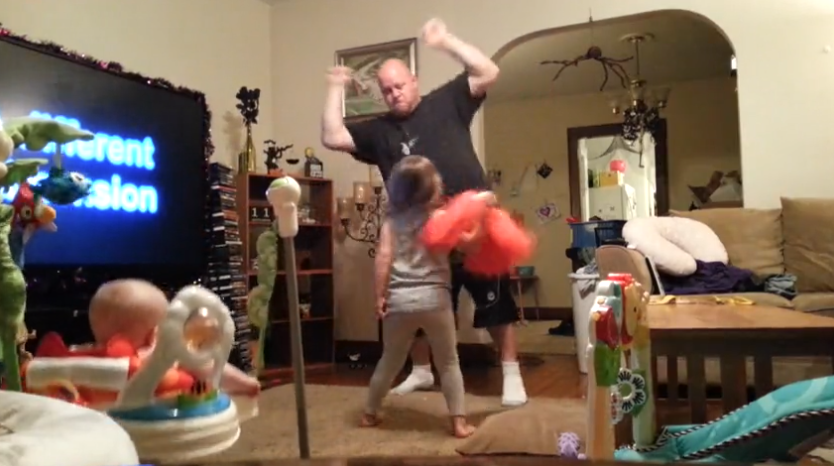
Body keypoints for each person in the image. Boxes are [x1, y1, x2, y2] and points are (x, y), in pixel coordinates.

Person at [321, 18, 527, 407]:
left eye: (399, 85)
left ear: (413, 81)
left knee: (495, 303)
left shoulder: (446, 100)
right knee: (419, 302)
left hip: (473, 224)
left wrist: (446, 41)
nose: (394, 94)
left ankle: (512, 374)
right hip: (420, 233)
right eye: (387, 90)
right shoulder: (378, 131)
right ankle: (420, 371)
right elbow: (332, 136)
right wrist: (334, 88)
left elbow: (488, 71)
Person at [361, 155, 478, 438]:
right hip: (435, 300)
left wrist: (379, 297)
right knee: (448, 362)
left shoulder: (391, 223)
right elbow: (468, 245)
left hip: (399, 301)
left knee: (390, 359)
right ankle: (459, 423)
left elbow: (383, 259)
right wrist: (480, 223)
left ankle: (369, 413)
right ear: (433, 189)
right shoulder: (440, 219)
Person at [88, 279, 260, 396]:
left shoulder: (93, 365)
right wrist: (246, 384)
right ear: (156, 333)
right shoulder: (162, 358)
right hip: (165, 423)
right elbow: (210, 368)